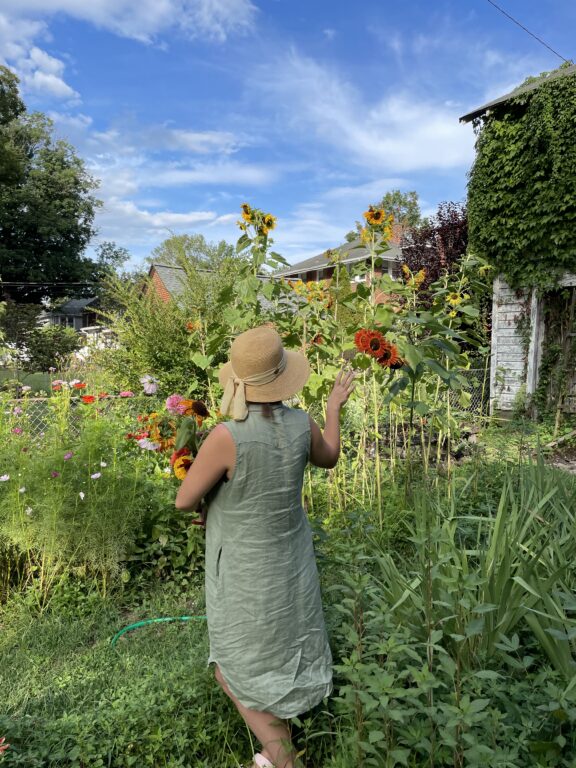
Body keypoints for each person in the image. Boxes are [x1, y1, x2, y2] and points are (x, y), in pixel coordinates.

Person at [175, 325, 355, 768]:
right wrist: (333, 407)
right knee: (285, 638)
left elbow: (183, 500)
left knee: (232, 665)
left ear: (238, 380)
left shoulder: (226, 435)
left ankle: (284, 758)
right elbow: (329, 456)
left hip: (244, 566)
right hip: (291, 559)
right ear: (282, 378)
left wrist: (208, 498)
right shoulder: (300, 423)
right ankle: (287, 723)